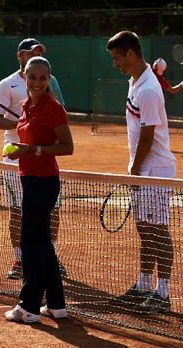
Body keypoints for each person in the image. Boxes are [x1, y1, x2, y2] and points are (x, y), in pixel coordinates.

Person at [107, 31, 176, 313]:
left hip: (155, 170)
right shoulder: (135, 81)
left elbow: (147, 136)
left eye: (117, 58)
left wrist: (134, 171)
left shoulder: (147, 89)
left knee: (158, 231)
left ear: (131, 54)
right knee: (144, 229)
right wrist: (134, 169)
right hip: (142, 168)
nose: (115, 64)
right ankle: (143, 285)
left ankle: (162, 293)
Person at [4, 56, 73, 323]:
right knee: (43, 244)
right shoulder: (25, 107)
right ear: (24, 76)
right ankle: (56, 304)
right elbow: (27, 143)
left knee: (30, 243)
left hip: (44, 182)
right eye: (32, 77)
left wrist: (32, 150)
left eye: (42, 78)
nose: (37, 82)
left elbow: (67, 147)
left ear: (49, 79)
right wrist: (20, 153)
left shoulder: (53, 108)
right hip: (29, 178)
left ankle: (29, 306)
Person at [0, 38, 66, 280]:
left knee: (51, 211)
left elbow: (59, 118)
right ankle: (19, 258)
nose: (33, 55)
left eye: (38, 52)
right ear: (19, 57)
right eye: (29, 53)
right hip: (15, 159)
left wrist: (38, 136)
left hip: (44, 157)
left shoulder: (51, 82)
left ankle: (50, 255)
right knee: (18, 210)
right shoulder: (6, 84)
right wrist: (25, 125)